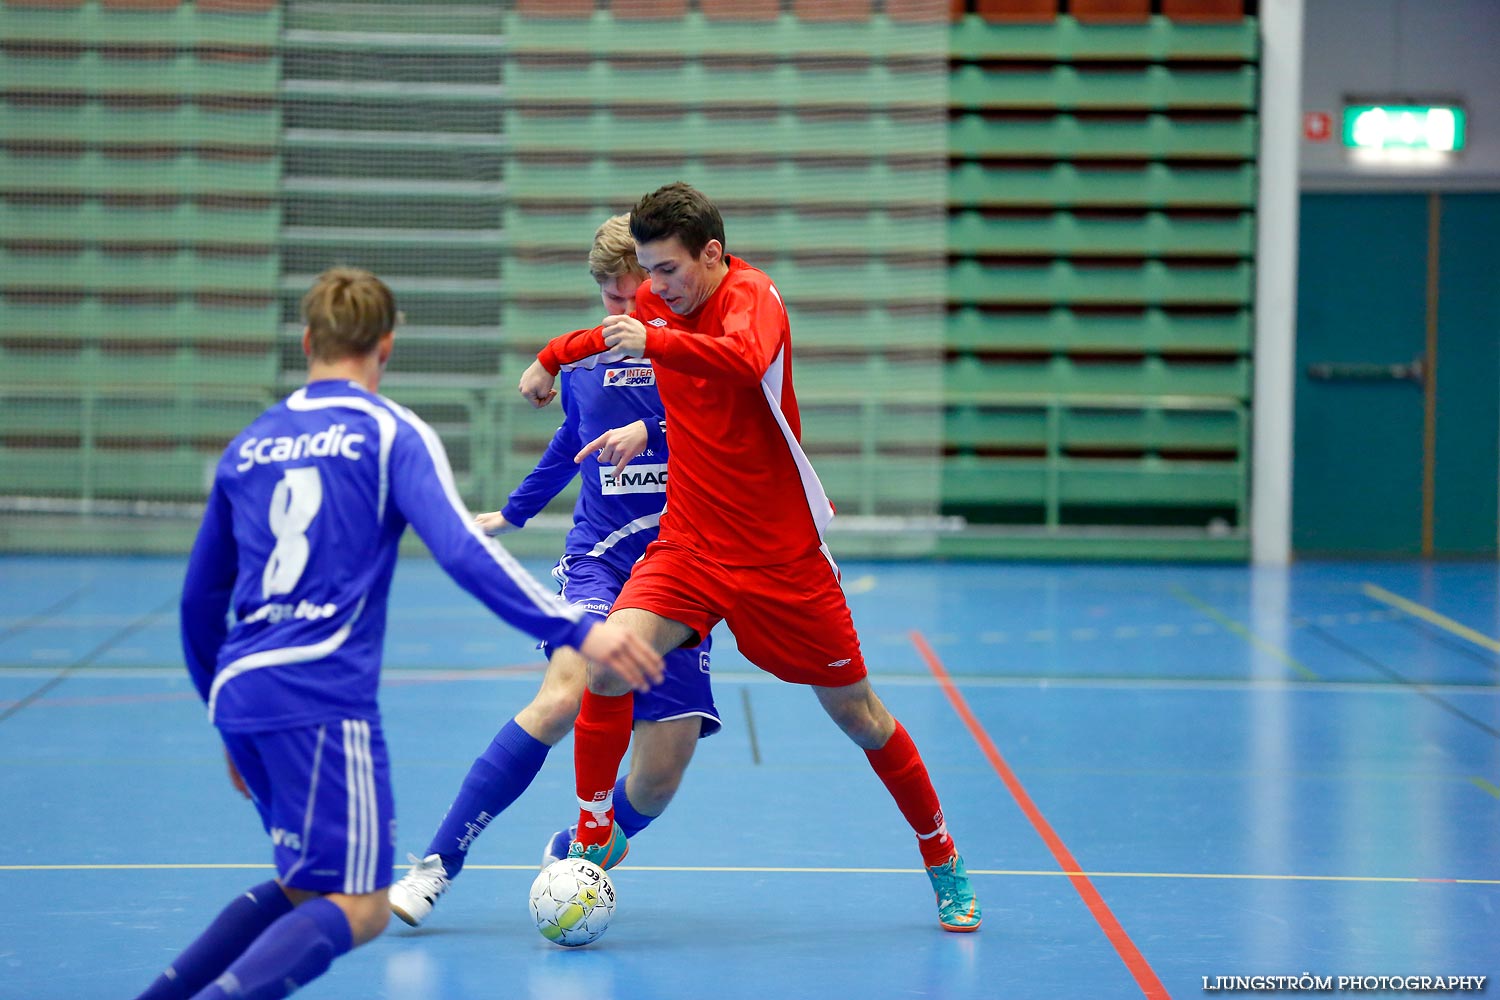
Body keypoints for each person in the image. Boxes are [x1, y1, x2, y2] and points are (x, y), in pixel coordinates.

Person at [131, 267, 662, 1000]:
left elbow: (198, 604)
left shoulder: (249, 444)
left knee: (301, 886)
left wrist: (222, 717)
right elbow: (462, 553)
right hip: (318, 692)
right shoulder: (391, 434)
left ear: (310, 339)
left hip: (239, 692)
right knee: (358, 905)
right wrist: (572, 625)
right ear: (385, 348)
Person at [518, 182, 982, 933]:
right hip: (692, 543)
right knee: (607, 661)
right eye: (643, 272)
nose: (650, 287)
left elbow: (738, 361)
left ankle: (941, 853)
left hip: (780, 559)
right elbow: (601, 338)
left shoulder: (752, 297)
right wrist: (547, 361)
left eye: (664, 270)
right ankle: (595, 834)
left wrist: (655, 338)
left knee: (861, 716)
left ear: (710, 254)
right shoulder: (656, 305)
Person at [387, 216, 720, 927]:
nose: (626, 316)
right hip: (600, 562)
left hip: (681, 566)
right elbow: (570, 440)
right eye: (613, 301)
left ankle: (577, 854)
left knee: (662, 773)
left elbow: (738, 418)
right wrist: (510, 514)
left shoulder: (700, 353)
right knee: (566, 692)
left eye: (640, 300)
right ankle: (436, 864)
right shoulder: (589, 362)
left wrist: (653, 428)